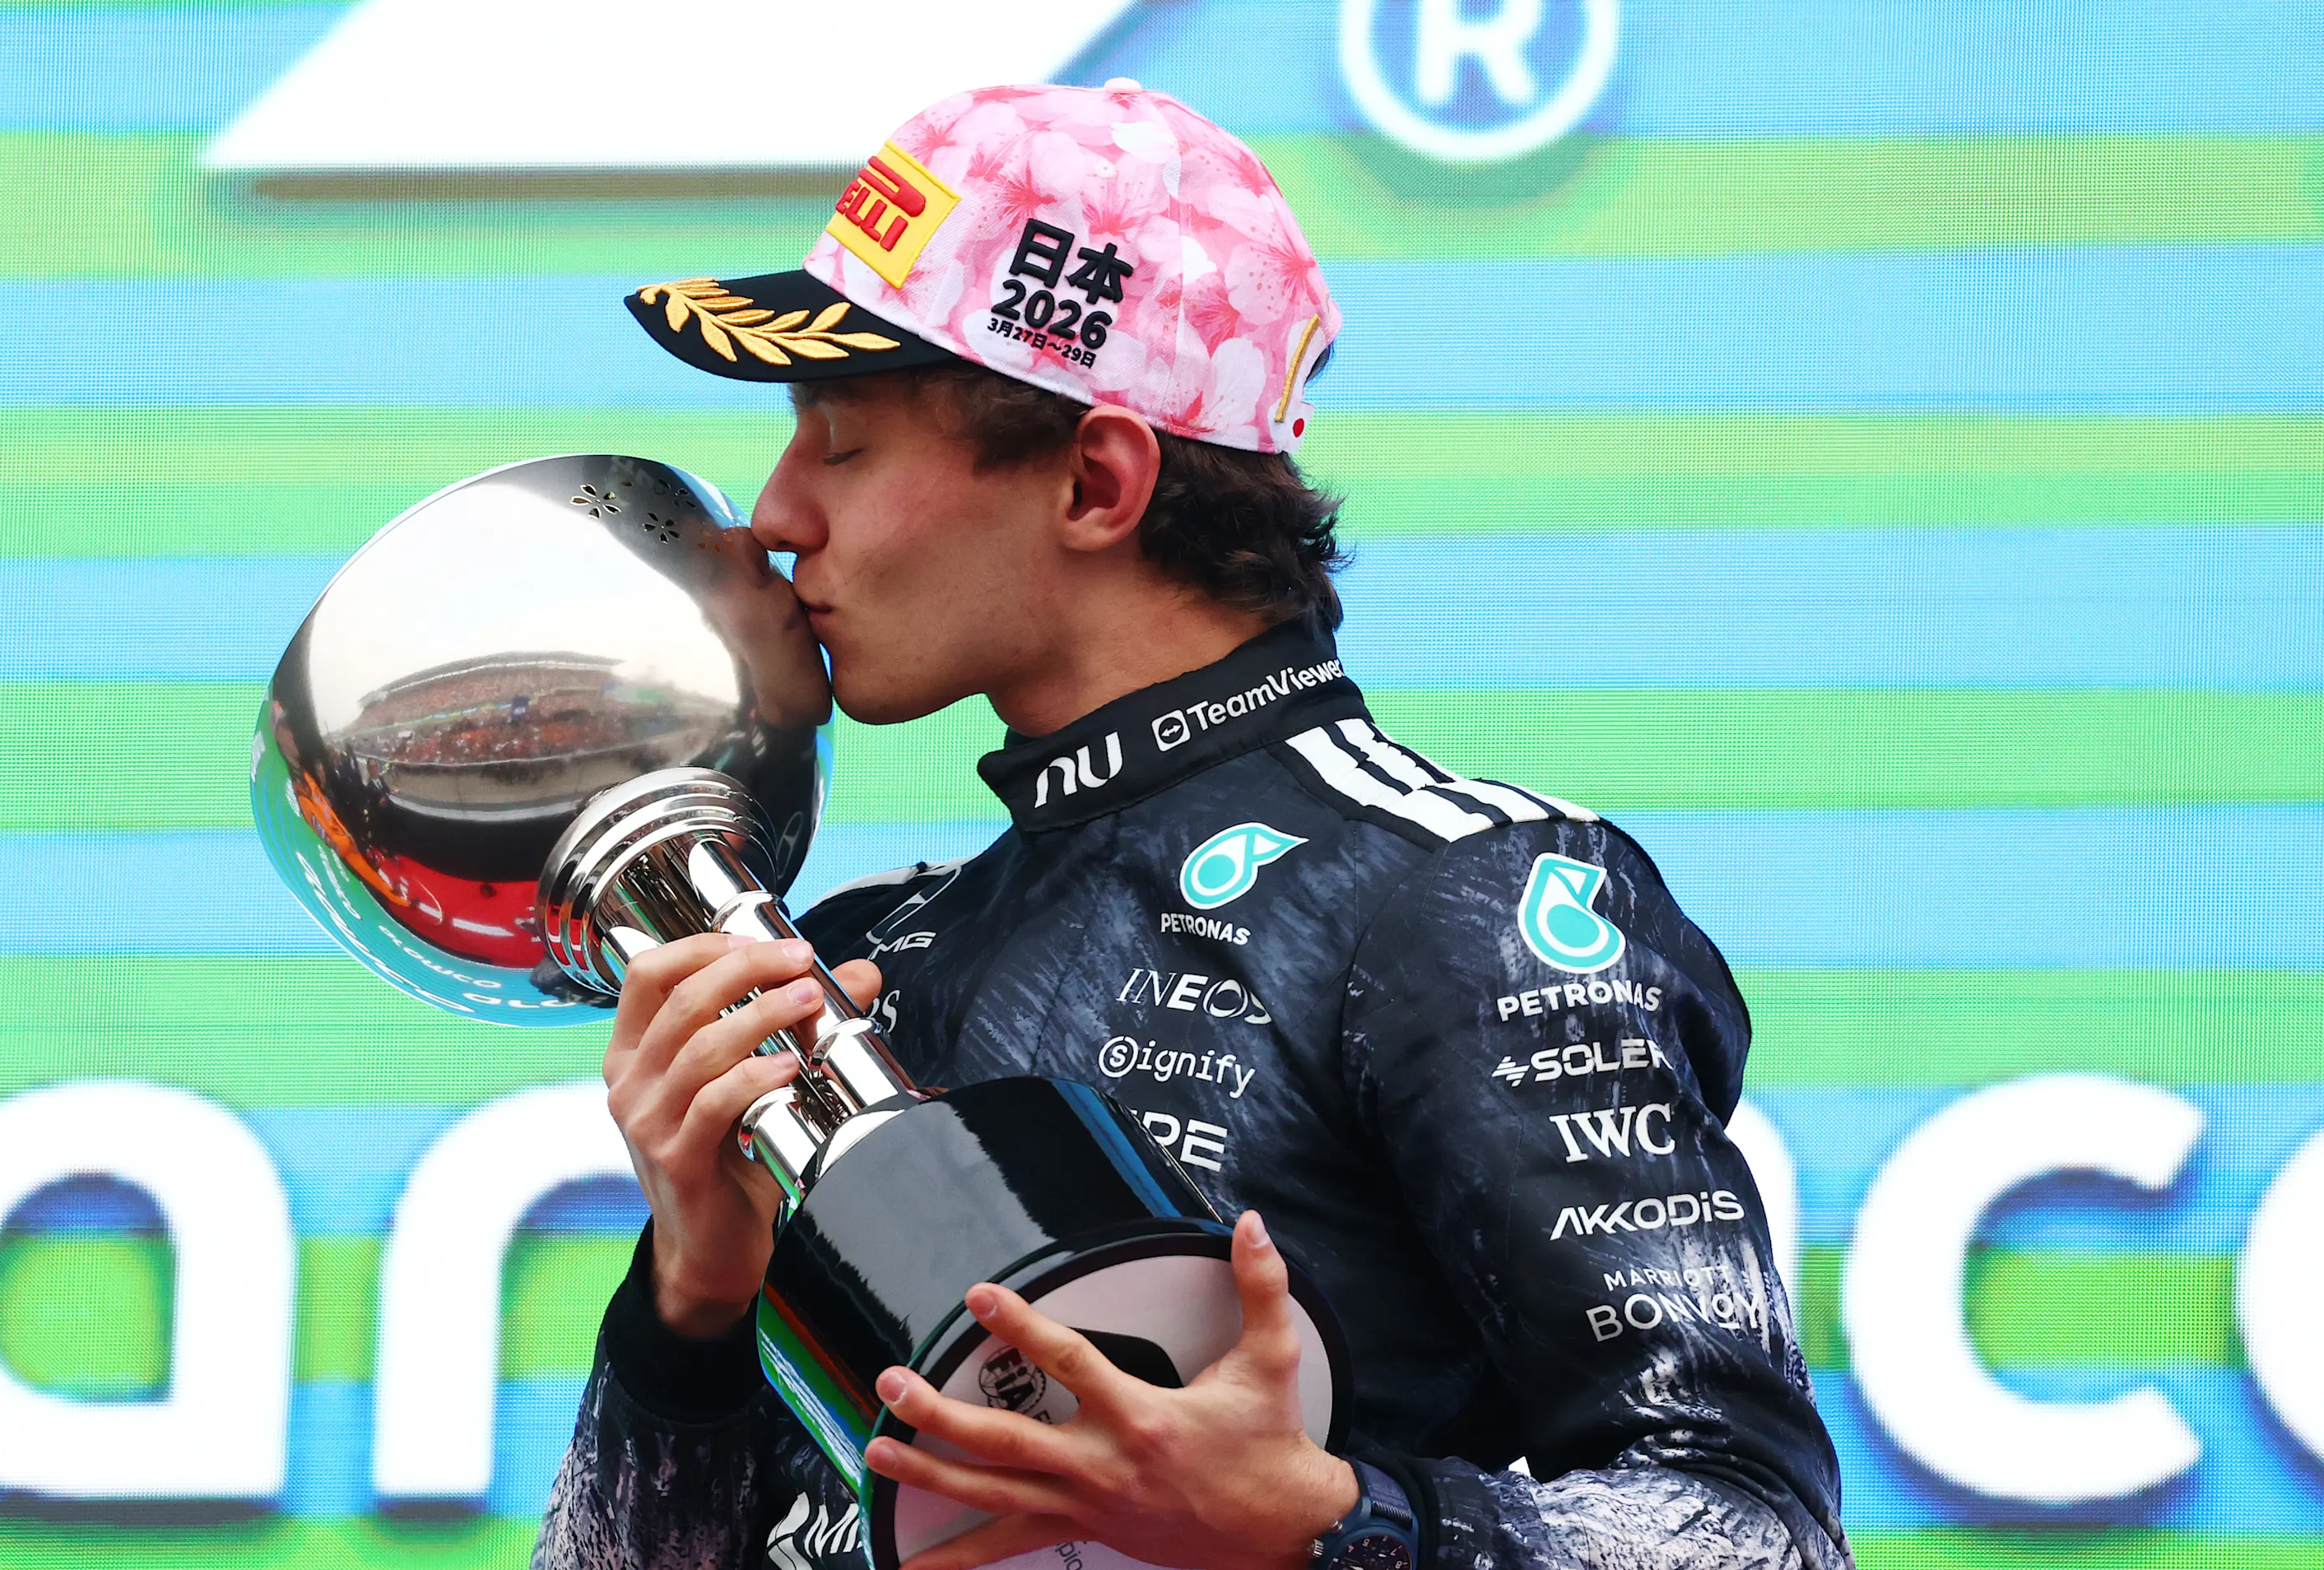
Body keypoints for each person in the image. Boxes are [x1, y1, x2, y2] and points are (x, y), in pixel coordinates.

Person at [534, 80, 1849, 1570]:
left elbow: (1763, 1534)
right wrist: (689, 1312)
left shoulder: (1464, 901)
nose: (775, 515)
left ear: (1097, 482)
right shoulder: (852, 956)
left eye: (840, 442)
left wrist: (1321, 1524)